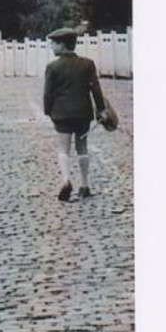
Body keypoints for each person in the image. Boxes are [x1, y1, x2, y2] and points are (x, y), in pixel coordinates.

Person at [43, 26, 109, 201]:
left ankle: (66, 181)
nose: (52, 47)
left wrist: (48, 111)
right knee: (82, 148)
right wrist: (101, 110)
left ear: (62, 45)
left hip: (62, 114)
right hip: (82, 113)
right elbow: (96, 89)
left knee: (64, 149)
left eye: (54, 44)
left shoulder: (52, 67)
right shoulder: (87, 64)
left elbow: (48, 93)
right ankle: (85, 185)